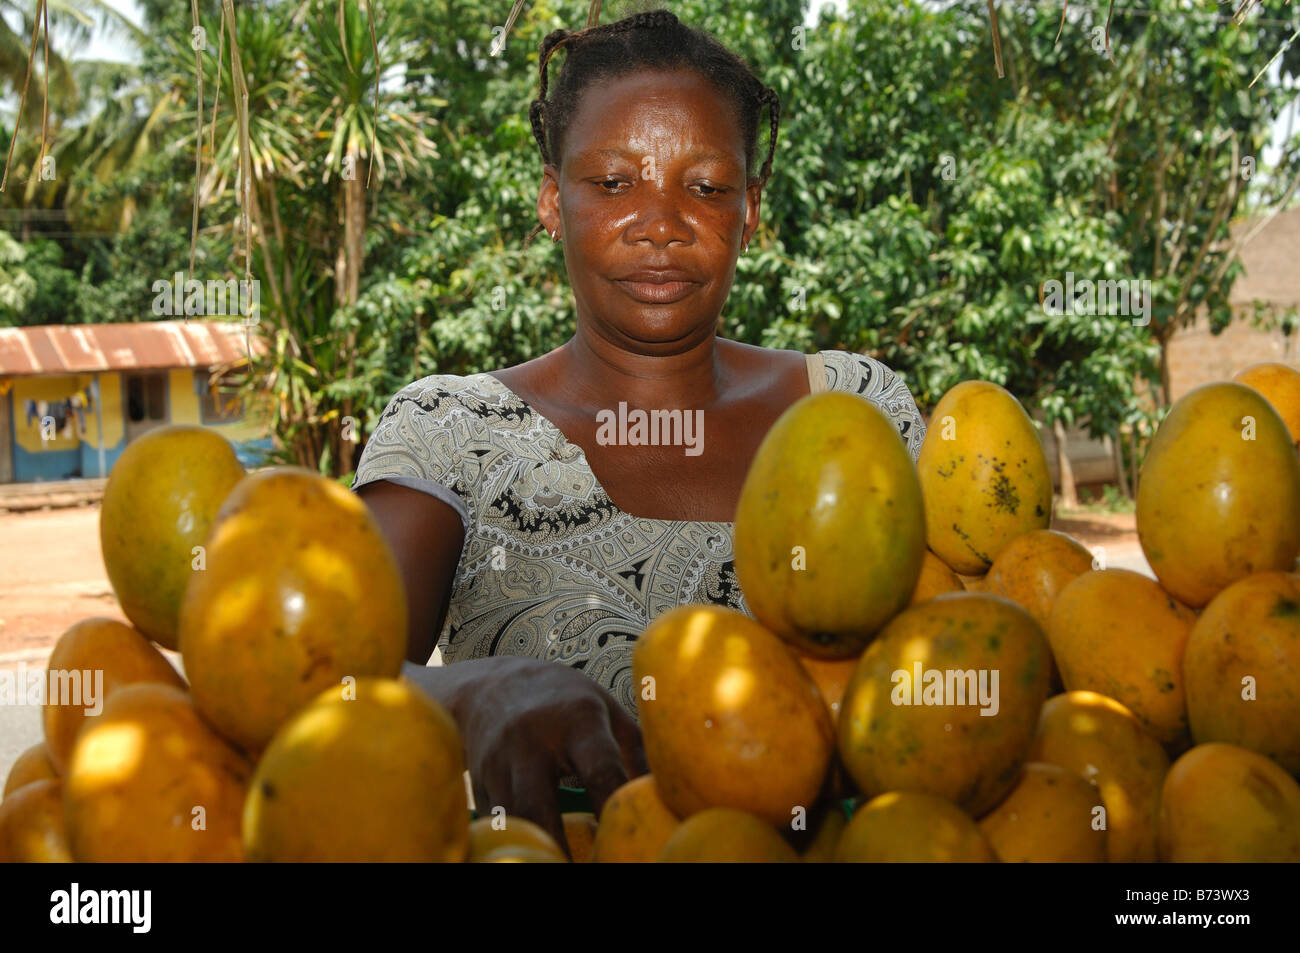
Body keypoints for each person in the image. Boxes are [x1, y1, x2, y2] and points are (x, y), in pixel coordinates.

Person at [350, 7, 927, 851]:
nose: (662, 222)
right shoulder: (451, 434)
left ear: (751, 209)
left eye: (706, 185)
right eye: (614, 182)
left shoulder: (856, 412)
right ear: (553, 199)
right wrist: (466, 695)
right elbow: (326, 680)